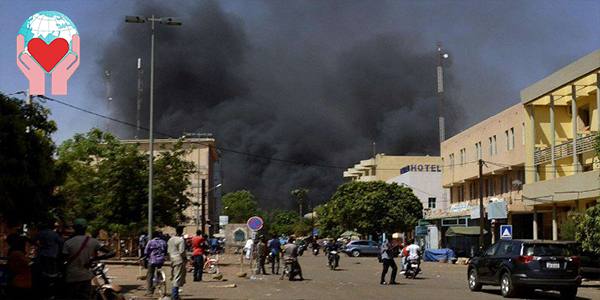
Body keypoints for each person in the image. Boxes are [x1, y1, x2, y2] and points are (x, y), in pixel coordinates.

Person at [62, 218, 114, 299]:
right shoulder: (93, 241)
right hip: (85, 277)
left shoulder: (67, 243)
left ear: (74, 228)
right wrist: (95, 258)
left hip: (71, 277)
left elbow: (62, 259)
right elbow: (112, 252)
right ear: (86, 228)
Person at [33, 221, 63, 299]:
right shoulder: (54, 234)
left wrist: (41, 246)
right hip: (53, 256)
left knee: (42, 273)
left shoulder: (41, 233)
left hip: (42, 255)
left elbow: (34, 241)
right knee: (52, 274)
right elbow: (61, 243)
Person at [7, 233, 32, 299]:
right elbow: (26, 263)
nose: (28, 246)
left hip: (20, 283)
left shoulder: (16, 253)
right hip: (20, 283)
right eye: (27, 245)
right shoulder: (18, 254)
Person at [144, 231, 167, 297]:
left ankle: (149, 291)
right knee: (158, 271)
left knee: (150, 275)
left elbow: (146, 252)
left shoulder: (151, 242)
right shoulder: (163, 242)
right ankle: (158, 279)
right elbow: (165, 251)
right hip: (161, 260)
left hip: (153, 260)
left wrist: (147, 256)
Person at [168, 226, 187, 300]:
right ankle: (174, 296)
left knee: (174, 276)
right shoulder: (180, 240)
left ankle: (175, 295)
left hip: (172, 259)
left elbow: (168, 251)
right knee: (177, 277)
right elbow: (182, 251)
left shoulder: (170, 239)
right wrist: (185, 259)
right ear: (182, 231)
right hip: (179, 259)